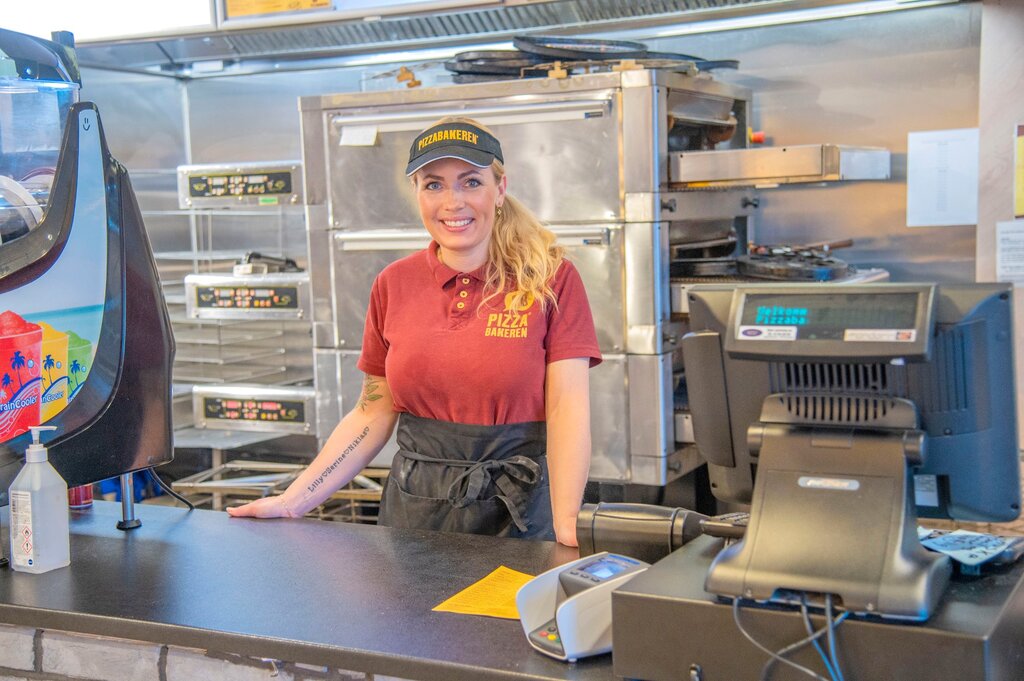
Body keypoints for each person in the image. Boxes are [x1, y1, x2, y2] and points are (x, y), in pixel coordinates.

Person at [227, 117, 601, 546]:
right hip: (415, 509)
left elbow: (567, 409)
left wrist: (567, 525)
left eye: (471, 182)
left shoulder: (551, 279)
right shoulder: (394, 283)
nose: (453, 202)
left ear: (500, 189)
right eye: (433, 185)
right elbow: (372, 412)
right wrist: (293, 501)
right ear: (417, 193)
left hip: (520, 509)